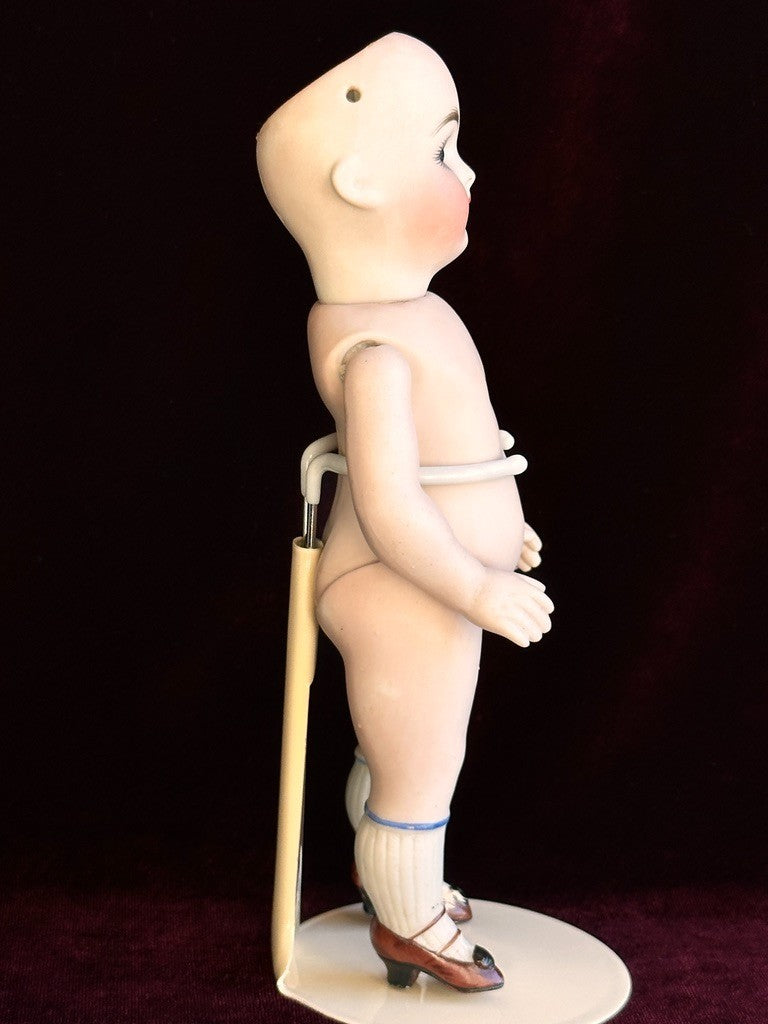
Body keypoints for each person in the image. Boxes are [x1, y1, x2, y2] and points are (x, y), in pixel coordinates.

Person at [257, 32, 553, 993]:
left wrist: (499, 524)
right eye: (441, 150)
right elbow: (386, 501)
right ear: (359, 186)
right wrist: (474, 581)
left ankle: (393, 875)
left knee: (405, 742)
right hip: (402, 586)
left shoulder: (407, 317)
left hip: (428, 579)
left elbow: (448, 454)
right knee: (422, 757)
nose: (466, 173)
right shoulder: (374, 348)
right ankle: (410, 918)